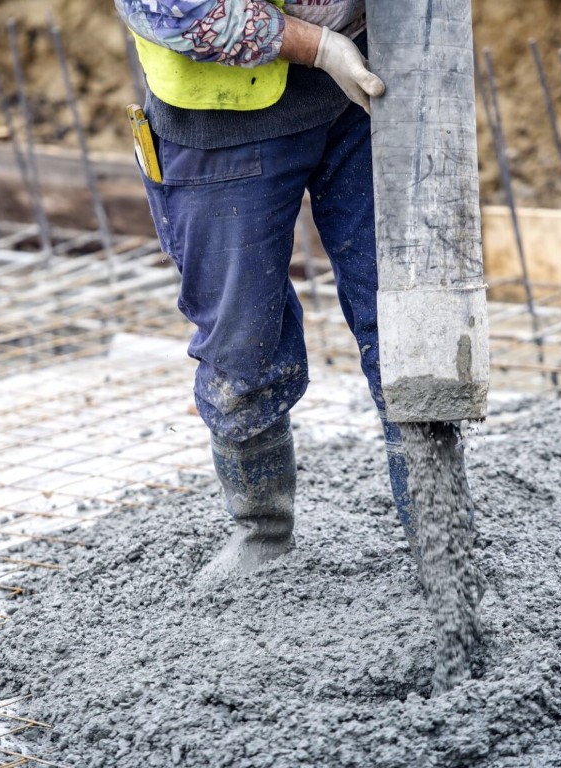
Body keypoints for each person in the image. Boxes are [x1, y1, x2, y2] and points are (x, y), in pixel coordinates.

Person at [114, 0, 415, 579]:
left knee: (408, 316)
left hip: (367, 87)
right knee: (241, 339)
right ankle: (263, 532)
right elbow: (182, 12)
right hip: (222, 117)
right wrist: (319, 48)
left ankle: (439, 530)